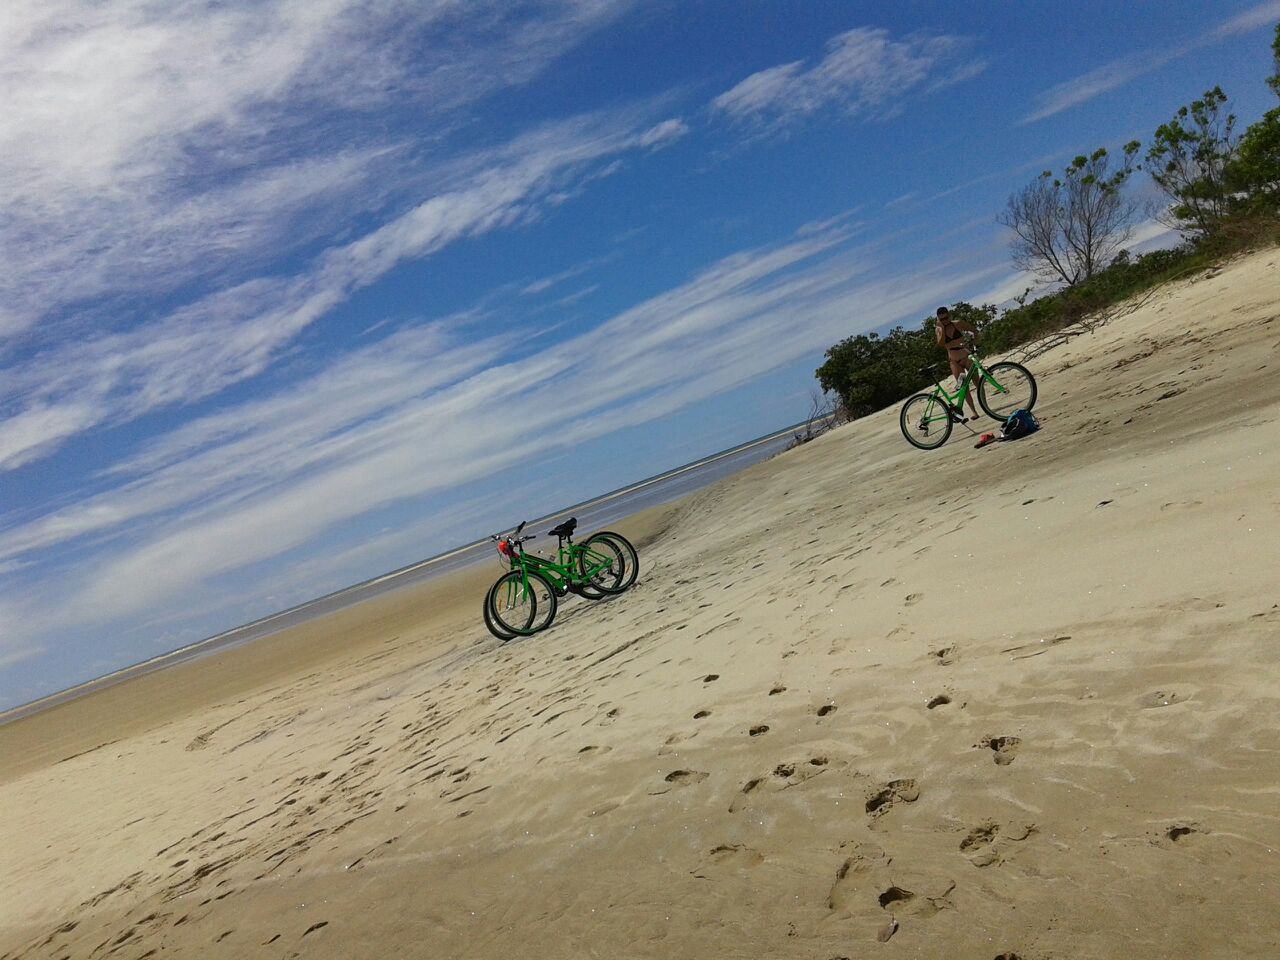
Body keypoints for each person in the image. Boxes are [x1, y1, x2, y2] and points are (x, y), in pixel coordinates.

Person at [934, 306, 979, 421]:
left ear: (949, 315)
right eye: (942, 319)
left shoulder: (958, 323)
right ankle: (974, 411)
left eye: (946, 318)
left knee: (977, 382)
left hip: (966, 356)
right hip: (954, 361)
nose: (945, 321)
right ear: (938, 319)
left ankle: (985, 405)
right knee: (964, 387)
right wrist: (942, 328)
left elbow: (974, 330)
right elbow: (940, 344)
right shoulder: (939, 329)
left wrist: (975, 345)